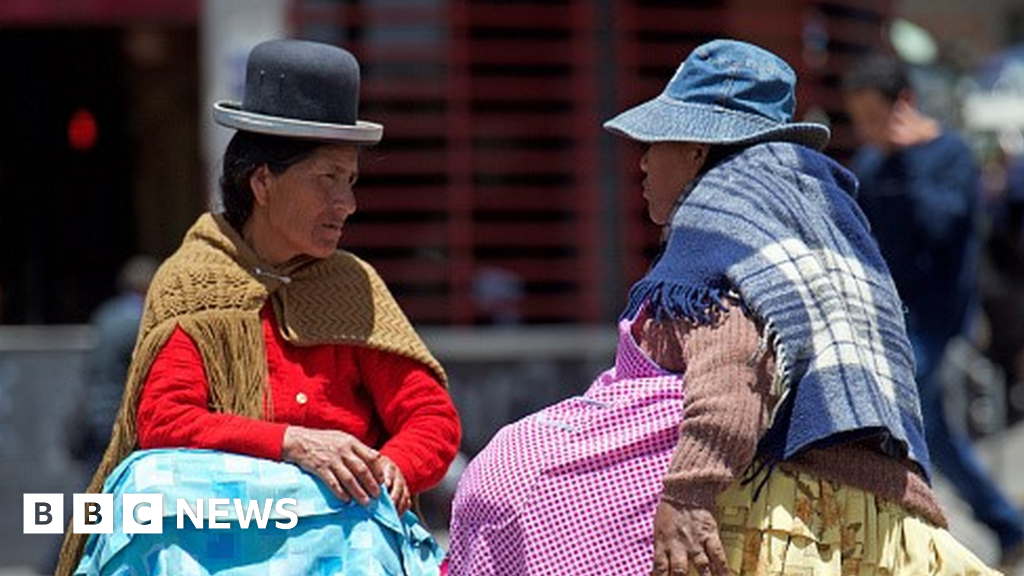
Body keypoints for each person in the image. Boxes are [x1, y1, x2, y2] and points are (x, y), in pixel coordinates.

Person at [449, 39, 998, 576]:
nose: (642, 163)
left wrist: (688, 497)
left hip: (797, 517)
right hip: (877, 514)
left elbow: (736, 368)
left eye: (655, 143)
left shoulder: (725, 217)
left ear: (697, 150)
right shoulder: (814, 211)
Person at [56, 38, 461, 576]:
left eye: (351, 181)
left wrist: (391, 469)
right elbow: (165, 419)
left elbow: (430, 416)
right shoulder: (194, 281)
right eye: (328, 179)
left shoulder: (352, 286)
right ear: (263, 181)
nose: (347, 204)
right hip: (216, 538)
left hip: (342, 536)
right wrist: (291, 444)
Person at [843, 52, 1024, 573]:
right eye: (859, 120)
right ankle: (1006, 525)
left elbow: (945, 227)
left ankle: (907, 537)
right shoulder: (871, 165)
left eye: (875, 117)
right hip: (886, 319)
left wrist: (909, 161)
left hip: (936, 319)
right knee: (936, 435)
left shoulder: (951, 155)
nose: (868, 131)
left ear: (904, 103)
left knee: (896, 416)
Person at [74, 254, 158, 470]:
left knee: (94, 480)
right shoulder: (139, 322)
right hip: (117, 416)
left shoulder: (106, 313)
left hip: (93, 411)